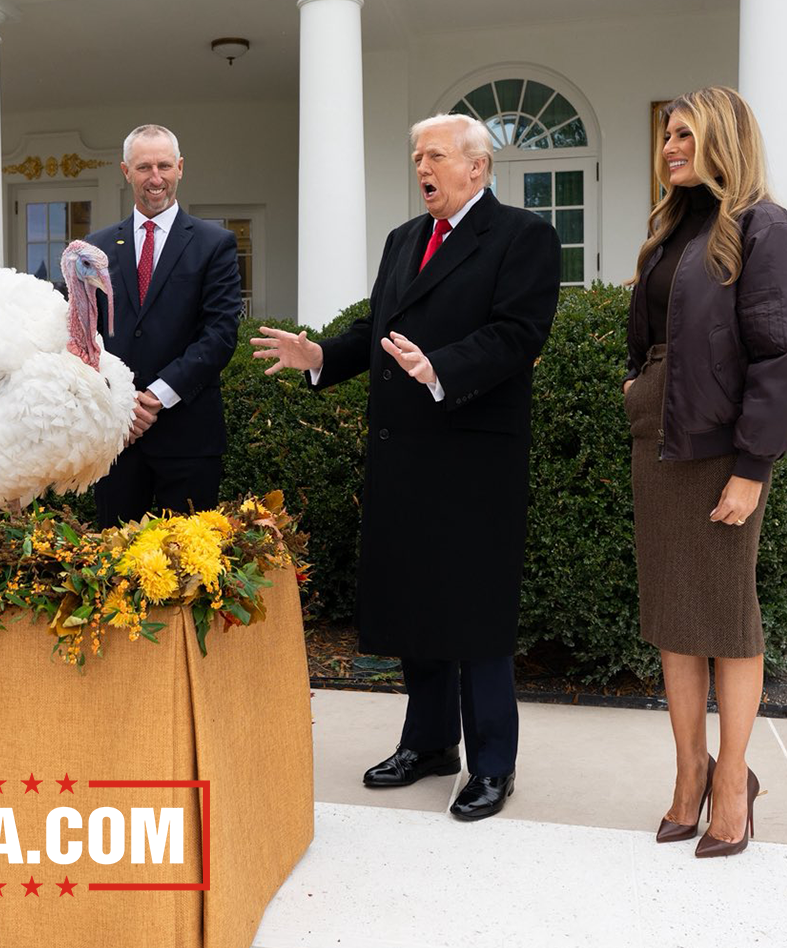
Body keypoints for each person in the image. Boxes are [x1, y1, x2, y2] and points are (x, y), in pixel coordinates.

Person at [252, 114, 560, 820]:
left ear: (477, 167)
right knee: (419, 603)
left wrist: (441, 367)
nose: (422, 167)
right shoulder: (404, 238)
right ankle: (428, 743)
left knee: (475, 613)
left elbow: (518, 334)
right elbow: (378, 330)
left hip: (474, 457)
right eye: (418, 156)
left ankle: (492, 764)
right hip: (407, 454)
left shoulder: (523, 236)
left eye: (436, 155)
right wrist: (322, 355)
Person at [624, 87, 787, 857]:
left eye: (686, 134)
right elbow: (648, 336)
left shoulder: (763, 226)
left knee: (728, 619)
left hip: (721, 450)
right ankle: (689, 772)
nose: (670, 146)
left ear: (724, 139)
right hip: (659, 442)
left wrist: (752, 465)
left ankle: (733, 779)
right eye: (668, 134)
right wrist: (636, 384)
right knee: (674, 616)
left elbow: (781, 353)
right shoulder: (671, 229)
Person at [86, 124, 241, 527]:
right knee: (115, 559)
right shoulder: (96, 248)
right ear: (126, 172)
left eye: (164, 166)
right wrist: (122, 405)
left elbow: (220, 334)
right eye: (144, 167)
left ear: (180, 168)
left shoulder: (214, 244)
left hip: (189, 438)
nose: (155, 178)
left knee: (190, 559)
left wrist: (154, 397)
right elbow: (85, 337)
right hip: (117, 439)